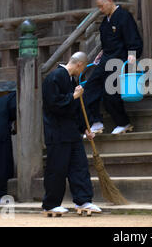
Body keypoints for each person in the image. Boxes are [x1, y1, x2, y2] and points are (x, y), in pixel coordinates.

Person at [41, 52, 101, 215]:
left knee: (79, 167)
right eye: (82, 69)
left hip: (72, 132)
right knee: (57, 168)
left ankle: (83, 201)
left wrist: (85, 128)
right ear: (80, 64)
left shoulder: (71, 80)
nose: (82, 73)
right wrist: (73, 95)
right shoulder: (54, 77)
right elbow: (53, 104)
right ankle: (50, 204)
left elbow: (76, 109)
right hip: (57, 132)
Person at [83, 0, 143, 135]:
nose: (100, 10)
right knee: (90, 87)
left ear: (109, 1)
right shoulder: (105, 21)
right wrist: (102, 52)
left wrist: (133, 54)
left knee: (109, 92)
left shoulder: (124, 16)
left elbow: (133, 39)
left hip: (120, 60)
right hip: (106, 59)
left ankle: (123, 123)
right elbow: (107, 43)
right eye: (99, 7)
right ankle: (95, 122)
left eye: (101, 6)